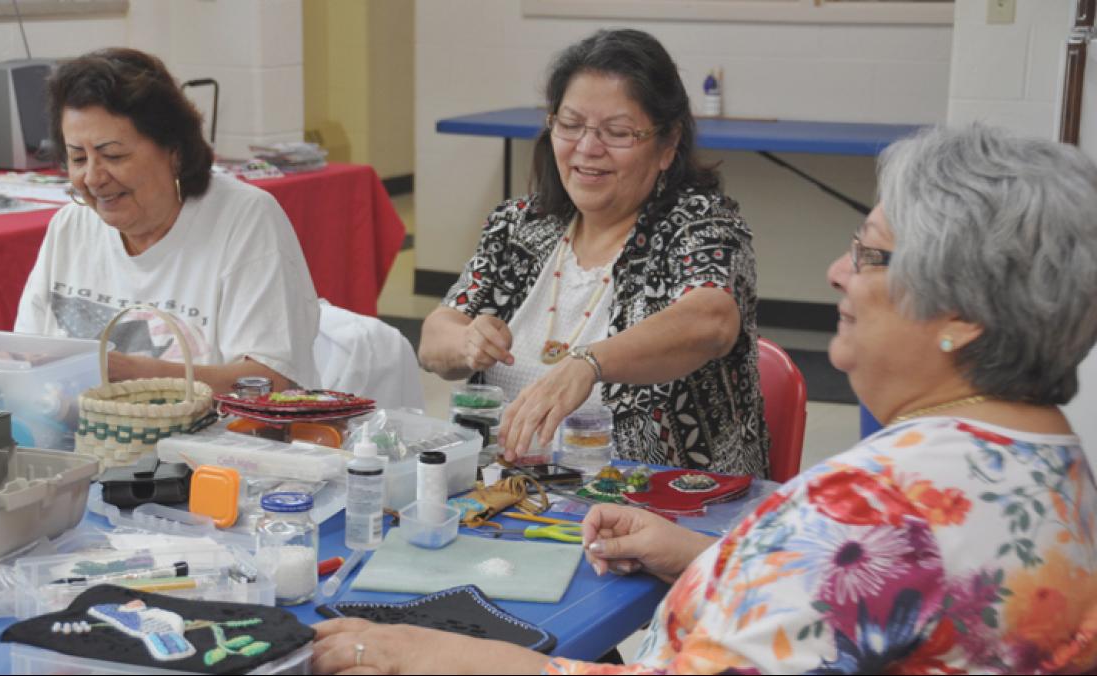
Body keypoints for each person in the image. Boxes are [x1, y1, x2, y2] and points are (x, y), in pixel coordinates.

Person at [312, 124, 1097, 674]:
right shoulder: (1048, 466)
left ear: (962, 314)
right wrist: (710, 554)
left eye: (869, 254)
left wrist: (440, 658)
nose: (835, 270)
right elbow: (884, 600)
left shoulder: (877, 502)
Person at [418, 29, 768, 474]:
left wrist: (588, 363)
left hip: (666, 507)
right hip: (511, 497)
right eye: (570, 125)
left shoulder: (702, 225)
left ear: (668, 144)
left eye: (617, 132)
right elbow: (433, 341)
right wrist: (468, 340)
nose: (587, 148)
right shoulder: (520, 227)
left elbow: (711, 320)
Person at [15, 47, 320, 395]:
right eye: (78, 158)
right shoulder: (70, 227)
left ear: (174, 152)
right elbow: (28, 358)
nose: (93, 177)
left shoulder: (244, 219)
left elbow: (271, 380)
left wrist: (136, 375)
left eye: (113, 155)